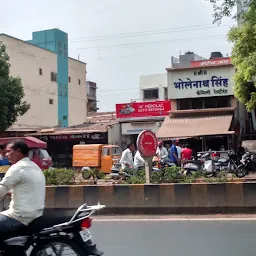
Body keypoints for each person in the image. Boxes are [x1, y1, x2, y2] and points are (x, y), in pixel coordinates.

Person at [0, 140, 46, 237]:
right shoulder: (34, 166)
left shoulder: (18, 168)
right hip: (35, 213)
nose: (6, 155)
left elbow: (2, 188)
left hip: (19, 216)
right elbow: (26, 189)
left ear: (18, 151)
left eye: (8, 151)